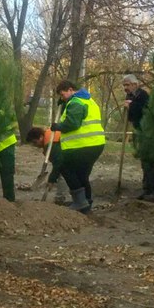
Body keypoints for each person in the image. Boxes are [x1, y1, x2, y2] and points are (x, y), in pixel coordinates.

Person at [51, 79, 106, 213]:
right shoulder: (88, 100)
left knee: (64, 166)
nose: (62, 98)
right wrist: (64, 103)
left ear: (70, 90)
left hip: (83, 145)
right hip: (96, 144)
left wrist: (58, 127)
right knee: (82, 175)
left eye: (63, 95)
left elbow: (72, 124)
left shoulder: (75, 103)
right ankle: (86, 203)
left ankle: (80, 202)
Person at [123, 74, 154, 203]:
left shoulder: (143, 95)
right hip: (140, 132)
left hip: (149, 133)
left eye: (127, 85)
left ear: (135, 84)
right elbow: (131, 117)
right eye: (124, 85)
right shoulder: (130, 96)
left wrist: (131, 106)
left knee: (151, 161)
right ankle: (147, 188)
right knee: (144, 162)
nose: (125, 87)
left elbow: (145, 112)